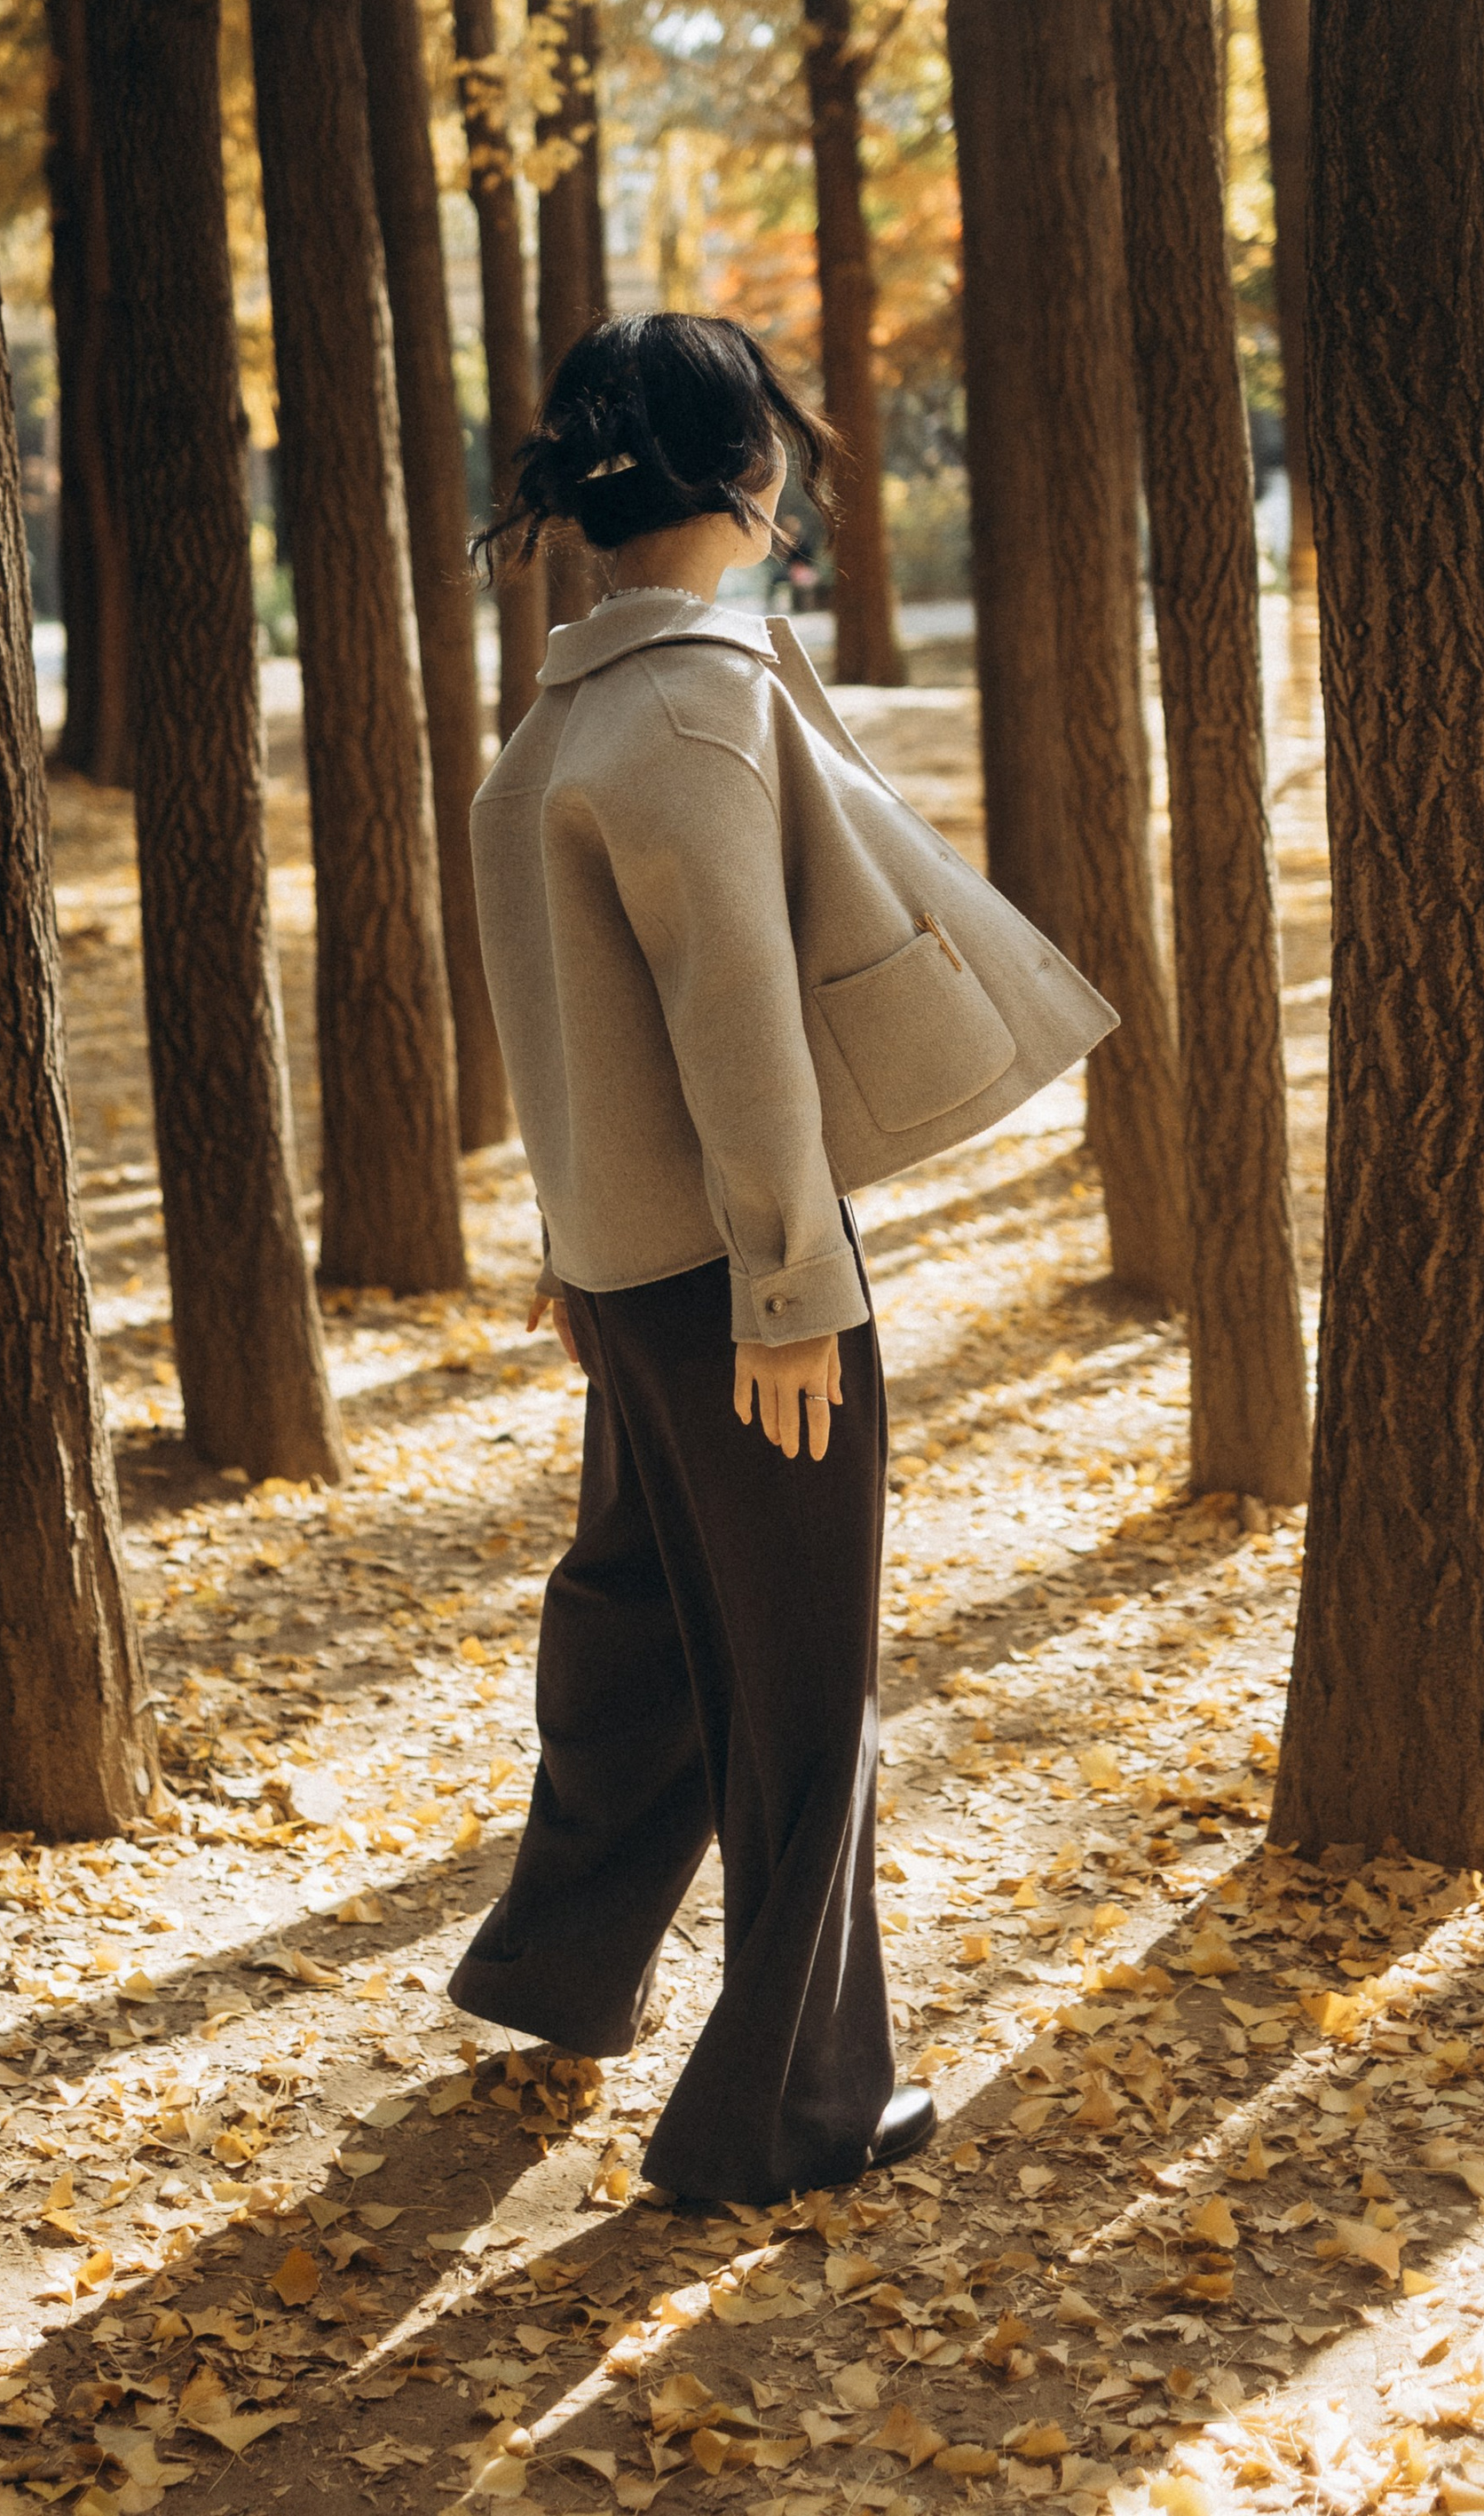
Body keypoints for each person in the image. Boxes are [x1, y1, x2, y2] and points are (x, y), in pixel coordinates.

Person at [451, 313, 1117, 2207]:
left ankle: (551, 1968)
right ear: (746, 474)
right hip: (741, 1283)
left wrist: (583, 1252)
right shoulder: (689, 704)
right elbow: (731, 1014)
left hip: (634, 1271)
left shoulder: (566, 714)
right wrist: (788, 1283)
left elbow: (566, 1017)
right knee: (796, 1691)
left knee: (644, 1633)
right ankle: (789, 2109)